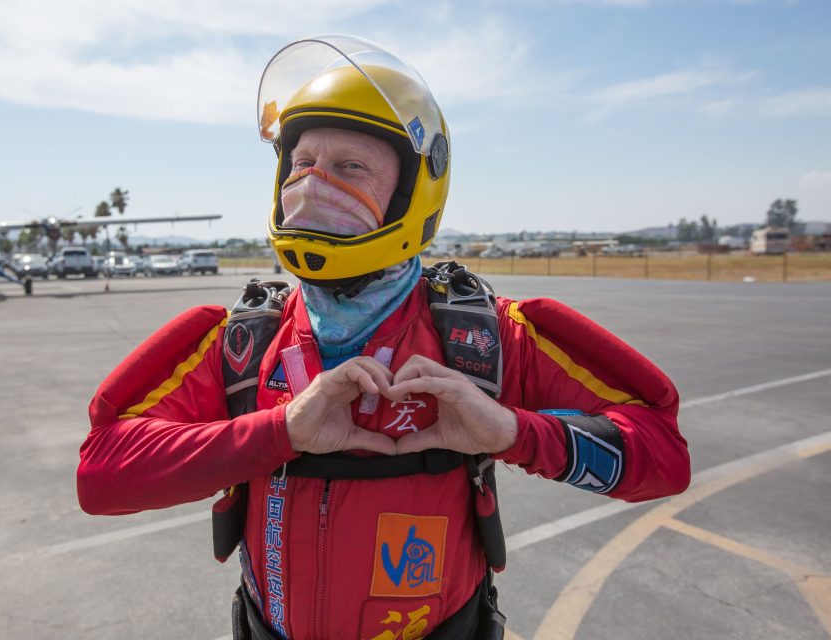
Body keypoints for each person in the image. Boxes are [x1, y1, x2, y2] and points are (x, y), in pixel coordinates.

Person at [77, 36, 690, 640]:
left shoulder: (489, 336)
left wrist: (513, 432)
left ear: (411, 190)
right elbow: (101, 475)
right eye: (301, 163)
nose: (314, 185)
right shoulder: (244, 341)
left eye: (351, 167)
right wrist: (279, 431)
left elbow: (663, 457)